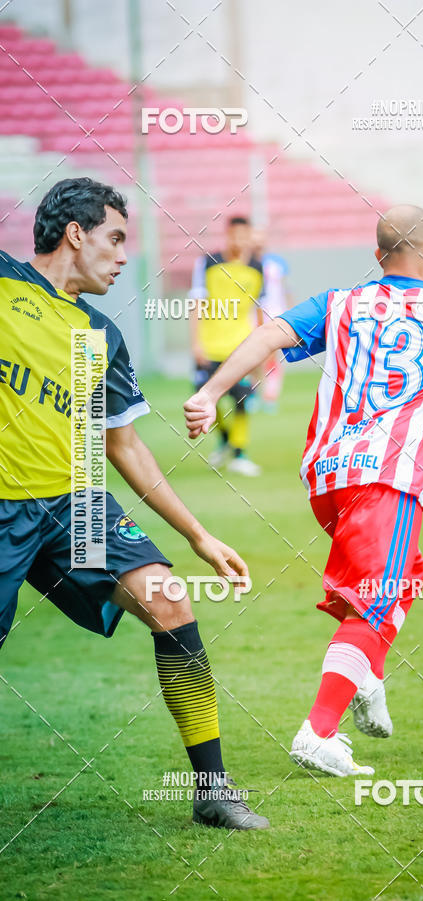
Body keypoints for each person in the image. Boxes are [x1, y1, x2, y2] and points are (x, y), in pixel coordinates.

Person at [184, 204, 423, 777]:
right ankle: (318, 731)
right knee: (373, 604)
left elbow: (268, 332)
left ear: (378, 258)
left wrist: (210, 392)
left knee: (403, 574)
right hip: (388, 478)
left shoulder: (341, 301)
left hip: (326, 476)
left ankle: (369, 674)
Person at [0, 177, 268, 828]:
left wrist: (199, 536)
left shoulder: (99, 335)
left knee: (170, 600)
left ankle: (212, 788)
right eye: (115, 239)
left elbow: (125, 446)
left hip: (72, 505)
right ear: (75, 234)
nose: (124, 258)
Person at [190, 216, 263, 476]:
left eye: (244, 236)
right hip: (210, 346)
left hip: (241, 346)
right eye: (235, 236)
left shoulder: (257, 267)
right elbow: (196, 303)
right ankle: (224, 439)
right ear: (228, 236)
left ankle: (240, 453)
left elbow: (258, 309)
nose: (239, 241)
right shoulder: (208, 263)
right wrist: (196, 343)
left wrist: (262, 348)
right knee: (203, 398)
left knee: (242, 398)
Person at [252, 228, 291, 413]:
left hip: (275, 314)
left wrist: (290, 312)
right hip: (252, 314)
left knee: (272, 355)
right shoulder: (246, 264)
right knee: (252, 355)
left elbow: (285, 289)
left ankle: (270, 395)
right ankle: (252, 393)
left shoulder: (277, 263)